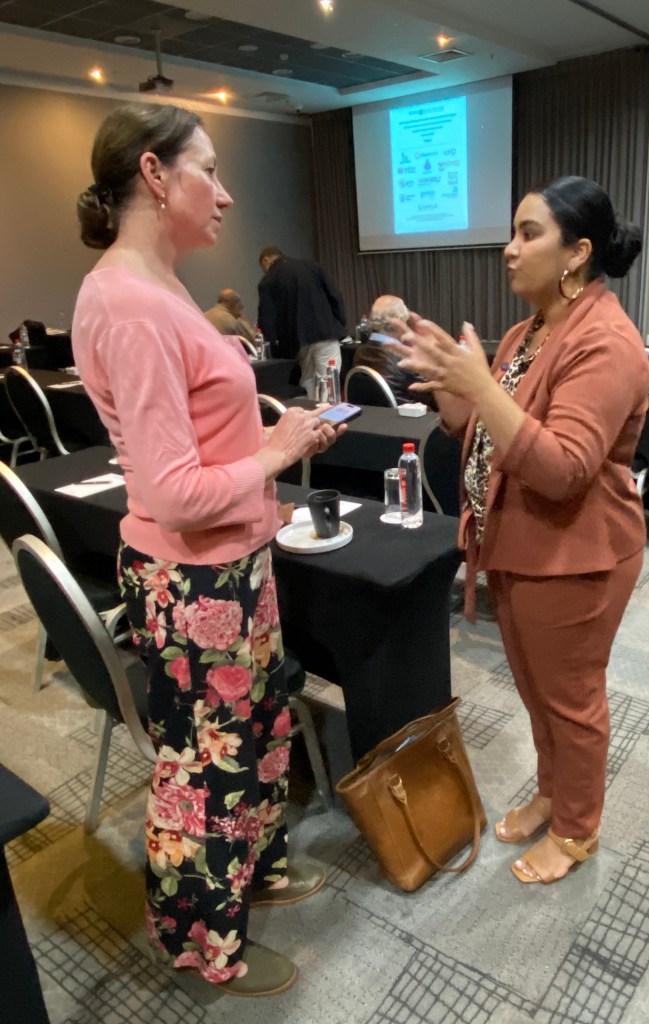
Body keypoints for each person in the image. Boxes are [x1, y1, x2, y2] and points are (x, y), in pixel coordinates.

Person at [73, 103, 342, 996]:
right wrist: (274, 453)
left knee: (256, 739)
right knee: (205, 770)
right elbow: (172, 490)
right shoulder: (131, 305)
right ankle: (201, 943)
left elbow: (196, 438)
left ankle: (253, 874)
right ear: (155, 175)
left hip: (228, 563)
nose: (225, 195)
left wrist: (275, 435)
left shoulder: (159, 286)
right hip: (195, 578)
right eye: (210, 171)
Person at [396, 176, 649, 885]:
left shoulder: (605, 340)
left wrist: (481, 385)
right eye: (511, 232)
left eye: (528, 233)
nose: (509, 249)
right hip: (515, 540)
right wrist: (455, 387)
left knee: (571, 700)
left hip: (576, 553)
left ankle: (576, 829)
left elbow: (564, 467)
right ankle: (551, 792)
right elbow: (483, 432)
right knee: (539, 692)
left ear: (578, 252)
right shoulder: (526, 331)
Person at [257, 246, 347, 399]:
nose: (264, 271)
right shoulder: (311, 266)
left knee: (308, 379)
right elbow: (335, 295)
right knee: (330, 381)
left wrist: (275, 348)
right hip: (325, 332)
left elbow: (267, 319)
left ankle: (311, 411)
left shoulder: (268, 281)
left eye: (262, 267)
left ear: (267, 260)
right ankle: (331, 411)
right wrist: (339, 323)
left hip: (299, 340)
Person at [353, 294, 433, 406]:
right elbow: (432, 396)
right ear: (399, 322)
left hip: (371, 414)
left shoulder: (360, 352)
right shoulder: (404, 359)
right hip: (405, 414)